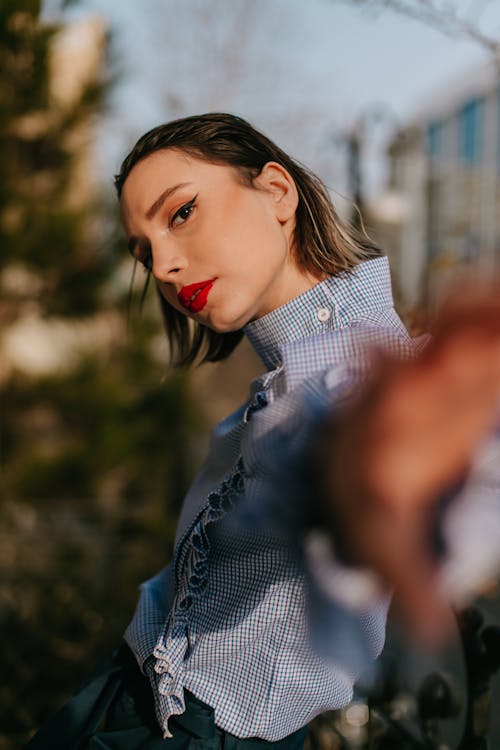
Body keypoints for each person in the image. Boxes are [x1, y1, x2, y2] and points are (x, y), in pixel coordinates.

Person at [27, 113, 500, 750]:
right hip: (124, 693)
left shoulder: (360, 379)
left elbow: (365, 483)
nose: (164, 265)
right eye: (143, 252)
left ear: (277, 192)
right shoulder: (278, 383)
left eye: (182, 213)